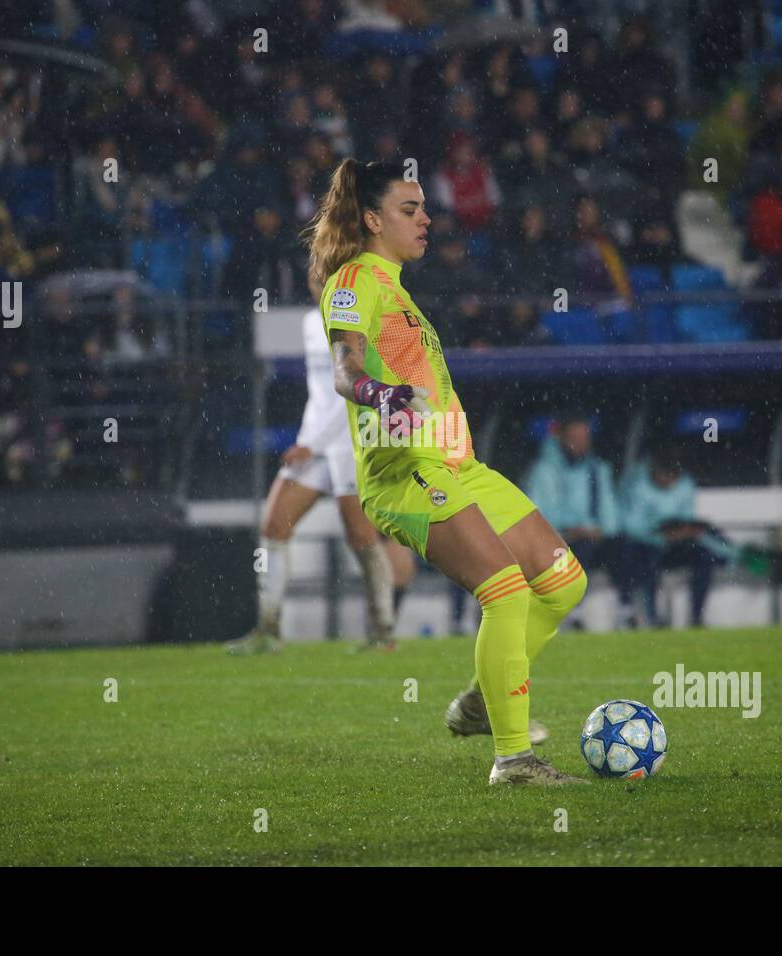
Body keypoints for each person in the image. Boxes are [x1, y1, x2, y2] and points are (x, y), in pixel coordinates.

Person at [303, 159, 589, 786]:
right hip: (406, 472)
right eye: (410, 210)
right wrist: (379, 393)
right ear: (373, 219)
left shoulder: (399, 289)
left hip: (459, 463)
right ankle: (514, 760)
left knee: (563, 582)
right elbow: (343, 372)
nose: (427, 218)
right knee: (507, 591)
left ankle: (482, 702)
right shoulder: (353, 281)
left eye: (426, 208)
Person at [225, 271, 410, 655]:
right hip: (315, 442)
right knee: (274, 526)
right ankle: (268, 630)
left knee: (362, 537)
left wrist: (312, 443)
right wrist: (307, 439)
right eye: (312, 271)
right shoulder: (311, 322)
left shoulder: (357, 320)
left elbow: (353, 393)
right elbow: (321, 395)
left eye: (324, 272)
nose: (316, 279)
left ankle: (383, 632)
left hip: (349, 443)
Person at [522, 414, 633, 629]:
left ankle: (625, 611)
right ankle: (573, 613)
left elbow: (612, 514)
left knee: (622, 548)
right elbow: (538, 514)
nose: (581, 444)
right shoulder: (544, 471)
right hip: (559, 539)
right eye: (575, 437)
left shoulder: (598, 469)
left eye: (585, 438)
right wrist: (571, 528)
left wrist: (600, 530)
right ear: (560, 437)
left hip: (593, 536)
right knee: (580, 549)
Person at [617, 450, 730, 628]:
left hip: (675, 545)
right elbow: (630, 526)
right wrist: (660, 536)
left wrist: (682, 532)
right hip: (645, 545)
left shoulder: (685, 484)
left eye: (673, 477)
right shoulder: (637, 484)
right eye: (666, 476)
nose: (669, 482)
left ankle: (696, 617)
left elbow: (687, 516)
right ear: (655, 470)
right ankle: (653, 619)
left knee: (704, 556)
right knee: (647, 563)